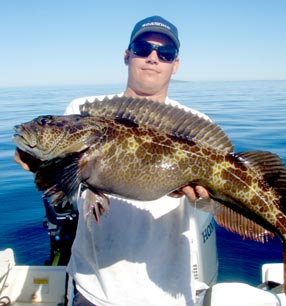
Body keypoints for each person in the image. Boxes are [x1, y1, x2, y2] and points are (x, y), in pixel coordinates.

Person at [15, 16, 212, 306]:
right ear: (127, 55)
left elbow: (210, 204)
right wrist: (37, 161)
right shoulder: (82, 110)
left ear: (175, 64)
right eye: (143, 48)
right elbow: (63, 187)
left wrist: (203, 197)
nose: (153, 58)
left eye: (165, 53)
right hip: (95, 287)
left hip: (168, 291)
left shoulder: (196, 126)